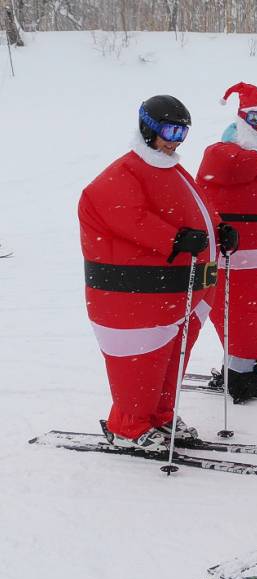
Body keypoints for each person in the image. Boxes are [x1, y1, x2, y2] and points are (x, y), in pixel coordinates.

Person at [78, 95, 237, 450]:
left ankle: (161, 415)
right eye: (169, 131)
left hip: (177, 293)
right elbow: (124, 215)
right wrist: (174, 238)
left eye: (182, 132)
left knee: (169, 359)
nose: (176, 140)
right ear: (147, 128)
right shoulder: (123, 173)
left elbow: (198, 207)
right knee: (142, 362)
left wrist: (219, 228)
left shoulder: (172, 169)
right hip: (136, 298)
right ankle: (128, 426)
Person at [197, 82, 257, 402]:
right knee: (243, 319)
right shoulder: (222, 154)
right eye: (253, 119)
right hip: (242, 261)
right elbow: (226, 164)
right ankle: (238, 374)